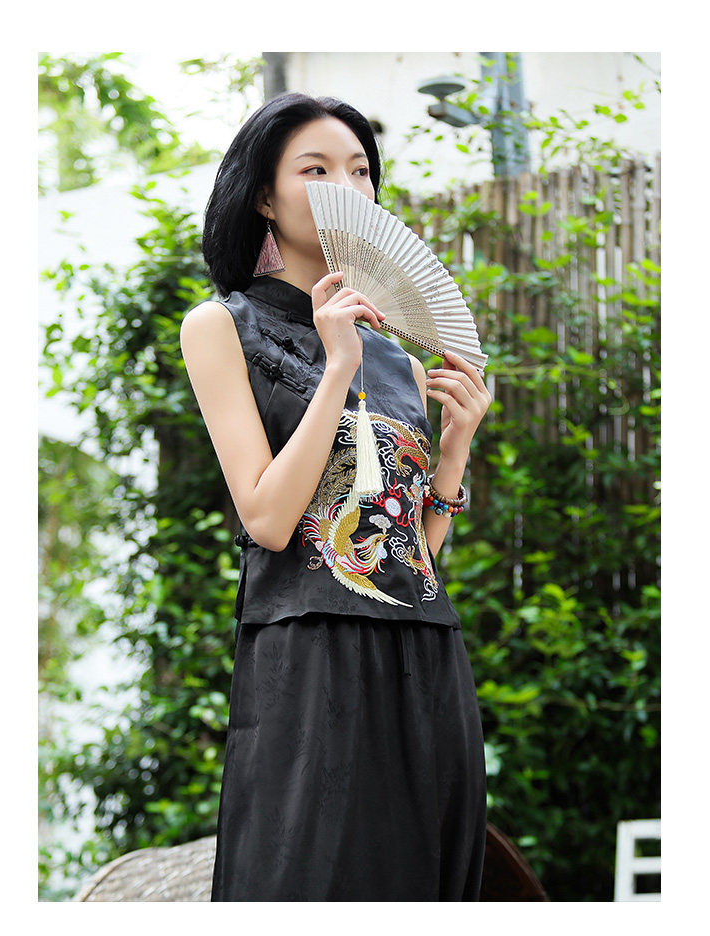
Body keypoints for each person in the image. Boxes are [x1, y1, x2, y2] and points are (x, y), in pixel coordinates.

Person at [180, 91, 493, 902]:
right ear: (264, 196)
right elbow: (267, 519)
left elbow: (406, 552)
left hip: (426, 657)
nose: (345, 189)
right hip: (311, 657)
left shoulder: (404, 361)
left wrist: (452, 453)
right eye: (315, 170)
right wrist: (338, 364)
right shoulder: (223, 327)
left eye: (359, 171)